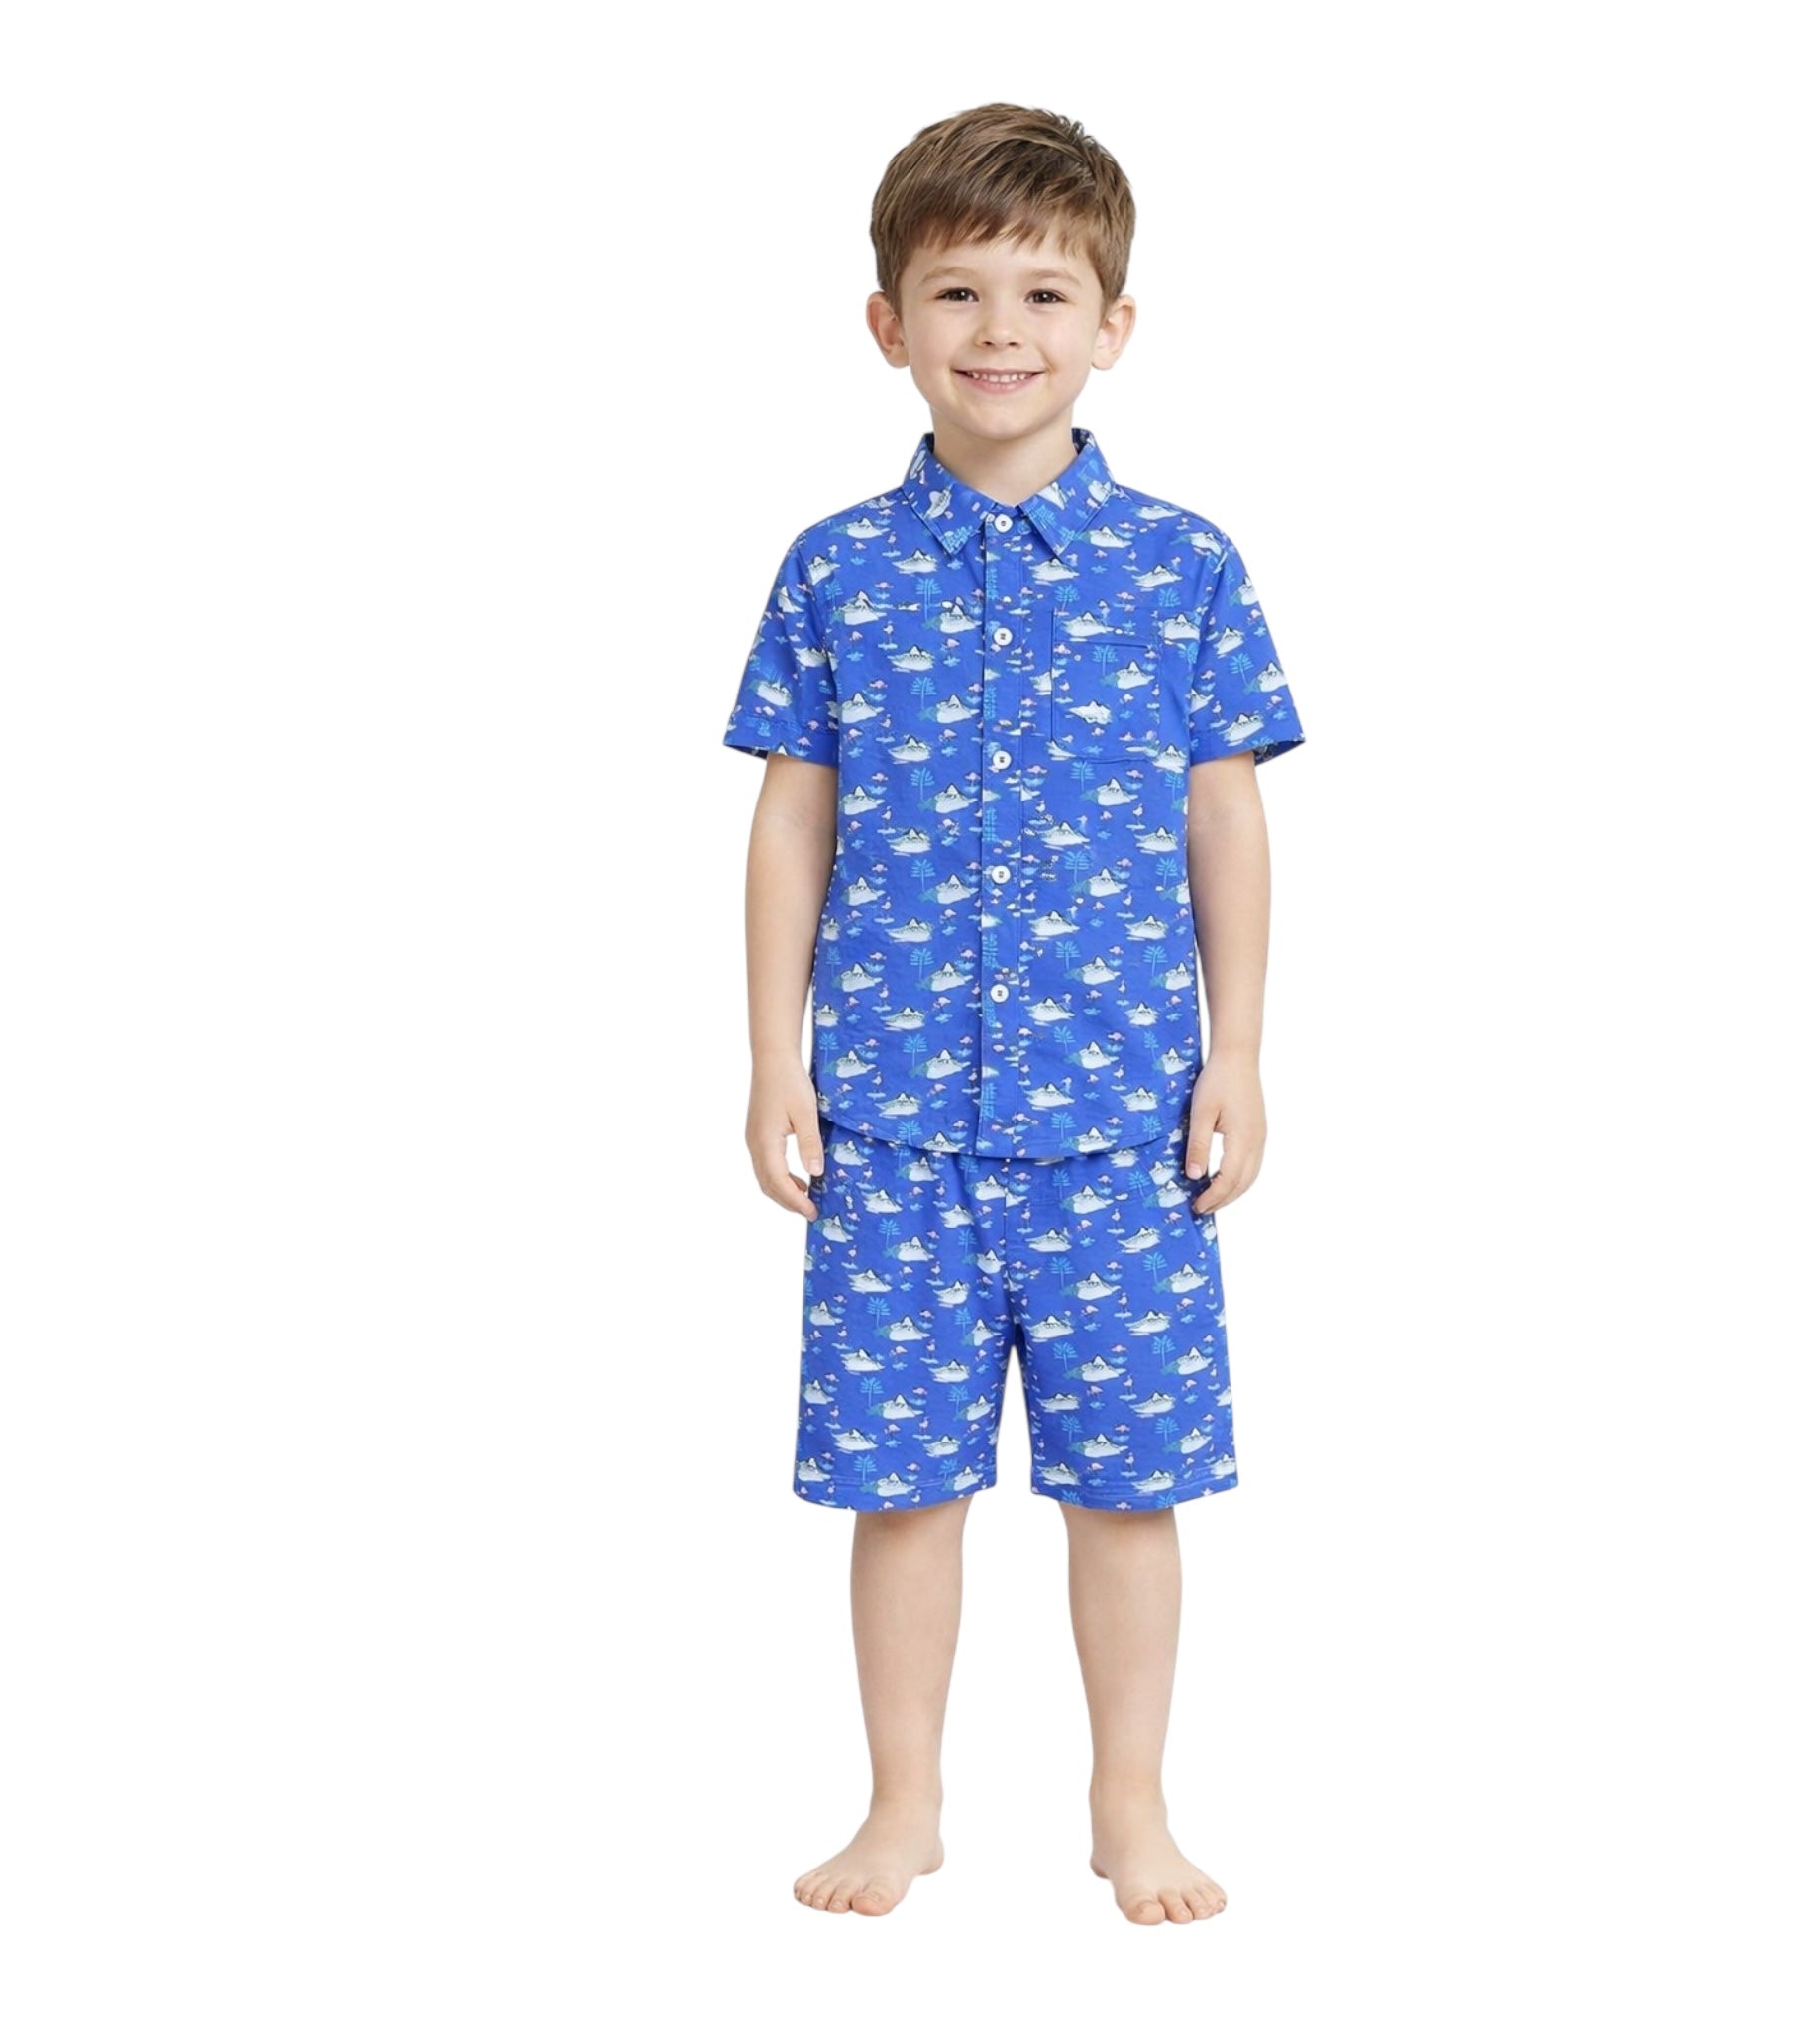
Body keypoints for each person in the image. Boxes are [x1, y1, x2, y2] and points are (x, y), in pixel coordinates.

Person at [721, 102, 1307, 1924]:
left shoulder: (1185, 567)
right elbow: (792, 818)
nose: (1000, 328)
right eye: (957, 290)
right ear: (886, 322)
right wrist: (772, 1059)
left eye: (1044, 293)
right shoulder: (835, 568)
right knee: (902, 1491)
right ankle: (902, 1806)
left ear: (1112, 325)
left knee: (1130, 1488)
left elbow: (1225, 816)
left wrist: (1237, 1051)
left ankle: (1131, 1806)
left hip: (1123, 1125)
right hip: (893, 1121)